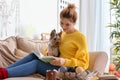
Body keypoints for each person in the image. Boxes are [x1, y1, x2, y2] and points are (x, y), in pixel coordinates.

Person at [0, 4, 89, 79]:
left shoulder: (81, 38)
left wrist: (64, 61)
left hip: (64, 70)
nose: (64, 27)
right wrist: (47, 53)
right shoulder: (62, 34)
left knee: (36, 64)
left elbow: (84, 63)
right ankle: (4, 70)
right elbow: (49, 47)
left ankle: (3, 73)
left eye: (67, 24)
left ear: (74, 23)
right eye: (61, 23)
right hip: (54, 63)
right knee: (33, 55)